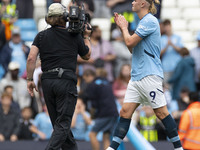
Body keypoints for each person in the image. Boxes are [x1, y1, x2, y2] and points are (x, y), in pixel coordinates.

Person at [106, 0, 183, 150]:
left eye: (136, 0)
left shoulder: (150, 21)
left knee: (161, 113)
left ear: (143, 4)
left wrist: (123, 27)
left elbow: (128, 43)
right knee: (125, 111)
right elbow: (132, 50)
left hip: (149, 75)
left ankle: (179, 148)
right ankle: (112, 148)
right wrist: (125, 29)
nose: (132, 2)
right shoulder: (142, 22)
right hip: (136, 77)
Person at [26, 3, 92, 150]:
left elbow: (31, 58)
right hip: (66, 81)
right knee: (63, 124)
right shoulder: (73, 35)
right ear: (65, 17)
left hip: (47, 82)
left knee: (60, 125)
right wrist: (86, 36)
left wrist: (30, 79)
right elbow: (87, 55)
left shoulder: (41, 36)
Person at [83, 66, 118, 150]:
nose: (85, 81)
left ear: (89, 76)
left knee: (92, 134)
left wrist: (91, 117)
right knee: (106, 136)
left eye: (85, 79)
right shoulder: (106, 81)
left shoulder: (92, 85)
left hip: (104, 113)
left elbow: (93, 105)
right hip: (113, 112)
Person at [160, 19, 184, 84]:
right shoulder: (162, 38)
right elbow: (159, 53)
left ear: (171, 26)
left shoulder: (177, 37)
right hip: (166, 67)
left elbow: (182, 50)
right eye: (166, 27)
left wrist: (172, 45)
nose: (167, 28)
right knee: (166, 86)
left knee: (176, 86)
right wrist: (167, 46)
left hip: (176, 66)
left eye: (168, 26)